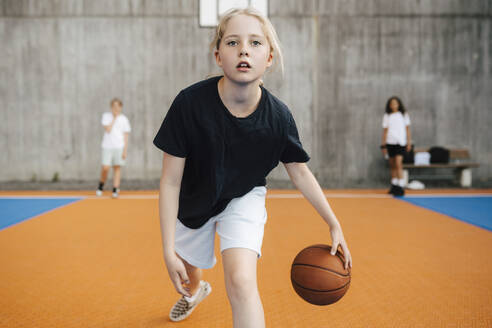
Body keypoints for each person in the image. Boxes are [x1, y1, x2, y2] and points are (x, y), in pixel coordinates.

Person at [153, 8, 352, 327]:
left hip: (243, 196)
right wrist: (166, 249)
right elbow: (171, 182)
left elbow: (299, 170)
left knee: (241, 281)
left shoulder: (278, 117)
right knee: (188, 270)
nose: (244, 49)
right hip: (194, 197)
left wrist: (333, 223)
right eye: (233, 42)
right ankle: (196, 289)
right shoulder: (189, 105)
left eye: (255, 43)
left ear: (269, 58)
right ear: (218, 56)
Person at [96, 98, 131, 198]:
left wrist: (124, 150)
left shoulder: (124, 119)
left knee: (117, 168)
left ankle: (115, 189)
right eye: (114, 106)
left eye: (118, 106)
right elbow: (108, 129)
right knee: (105, 167)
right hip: (107, 146)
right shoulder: (106, 116)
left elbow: (126, 136)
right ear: (111, 107)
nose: (116, 108)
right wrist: (114, 118)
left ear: (121, 107)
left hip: (119, 147)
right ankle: (101, 185)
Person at [381, 96, 412, 196]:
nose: (393, 105)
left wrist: (408, 142)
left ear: (399, 104)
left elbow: (407, 129)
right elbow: (385, 131)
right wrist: (383, 144)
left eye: (395, 103)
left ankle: (400, 185)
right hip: (390, 142)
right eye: (391, 103)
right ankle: (394, 185)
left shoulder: (403, 115)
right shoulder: (387, 116)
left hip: (400, 143)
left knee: (399, 163)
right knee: (392, 164)